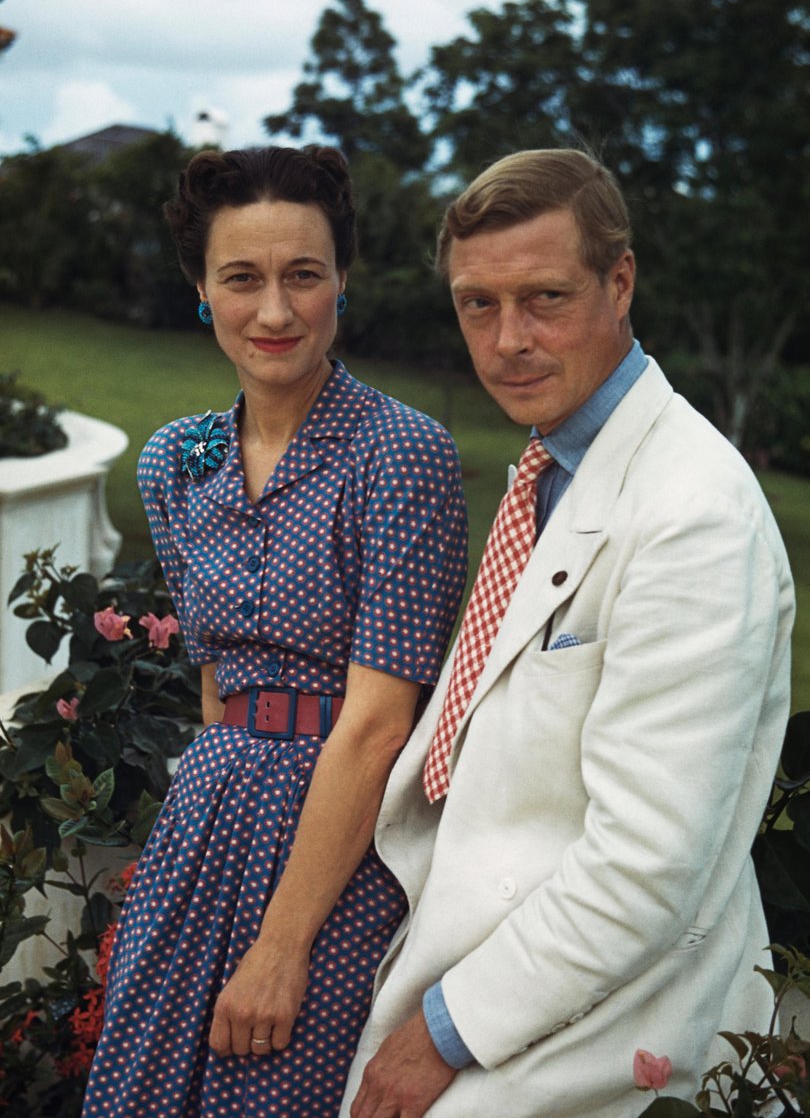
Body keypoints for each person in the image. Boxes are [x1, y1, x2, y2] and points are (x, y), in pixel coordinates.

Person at [343, 148, 795, 1118]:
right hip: (493, 956)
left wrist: (443, 1029)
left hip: (600, 1017)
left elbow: (645, 860)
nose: (509, 339)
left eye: (545, 296)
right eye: (477, 303)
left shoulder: (694, 513)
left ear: (619, 281)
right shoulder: (552, 470)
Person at [81, 144, 468, 1118]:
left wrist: (282, 943)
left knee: (272, 1084)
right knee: (141, 1082)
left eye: (303, 274)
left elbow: (382, 723)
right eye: (241, 278)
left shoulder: (401, 454)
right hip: (206, 818)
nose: (276, 310)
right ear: (200, 290)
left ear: (343, 277)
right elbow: (219, 685)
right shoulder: (179, 462)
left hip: (341, 840)